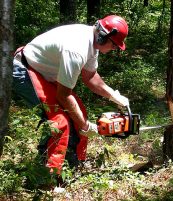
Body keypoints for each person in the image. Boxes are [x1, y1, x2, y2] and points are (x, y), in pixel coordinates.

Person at [12, 15, 130, 174]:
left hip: (45, 74)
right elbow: (64, 96)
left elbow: (89, 77)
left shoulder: (92, 43)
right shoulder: (77, 49)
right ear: (103, 38)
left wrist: (112, 95)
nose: (113, 50)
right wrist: (85, 126)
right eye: (114, 46)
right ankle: (48, 175)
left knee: (78, 113)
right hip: (24, 70)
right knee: (59, 122)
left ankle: (72, 166)